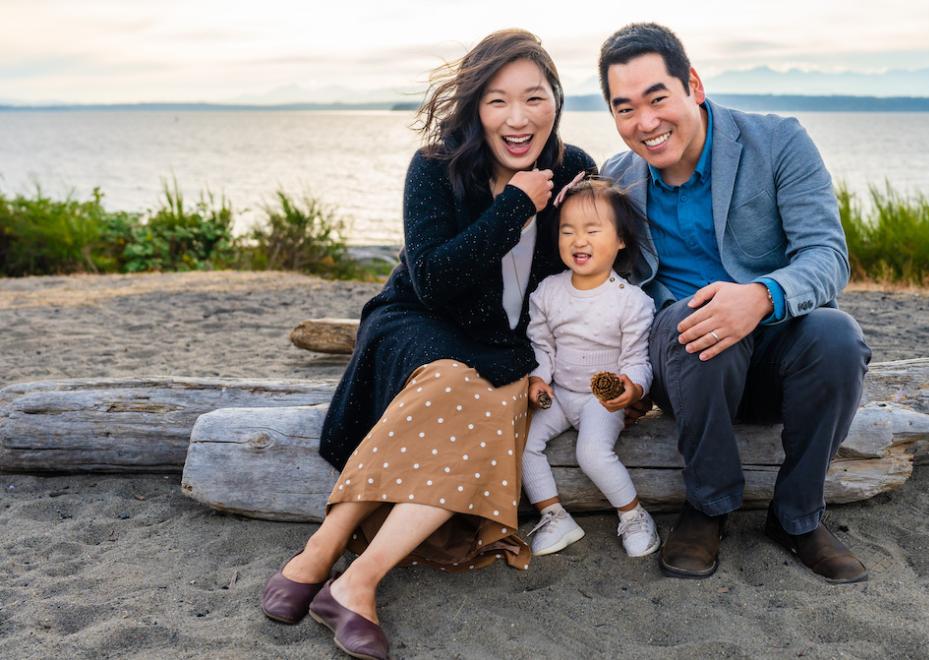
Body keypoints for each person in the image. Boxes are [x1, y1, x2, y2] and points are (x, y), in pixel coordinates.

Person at [259, 29, 596, 659]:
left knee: (494, 396)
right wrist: (514, 207)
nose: (518, 118)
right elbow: (434, 282)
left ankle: (348, 577)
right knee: (454, 381)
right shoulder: (436, 167)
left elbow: (580, 272)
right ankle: (325, 552)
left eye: (533, 98)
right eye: (497, 101)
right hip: (415, 321)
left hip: (503, 340)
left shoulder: (575, 169)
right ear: (475, 108)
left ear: (556, 100)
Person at [598, 23, 872, 583]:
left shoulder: (778, 142)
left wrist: (761, 296)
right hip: (686, 368)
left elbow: (827, 255)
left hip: (778, 356)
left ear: (693, 84)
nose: (645, 123)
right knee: (694, 324)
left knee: (838, 335)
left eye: (657, 98)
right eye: (625, 109)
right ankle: (708, 507)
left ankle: (797, 517)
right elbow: (613, 291)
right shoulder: (616, 180)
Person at [520, 176, 660, 558]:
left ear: (620, 240)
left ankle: (633, 515)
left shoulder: (631, 302)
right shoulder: (547, 292)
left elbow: (636, 359)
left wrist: (631, 388)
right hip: (561, 394)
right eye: (568, 231)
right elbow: (543, 347)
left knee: (591, 453)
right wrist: (538, 380)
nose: (578, 240)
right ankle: (553, 514)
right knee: (523, 442)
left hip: (603, 400)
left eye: (592, 230)